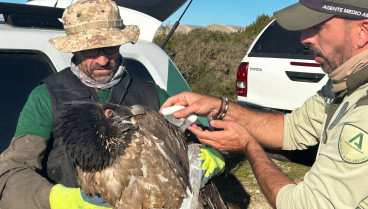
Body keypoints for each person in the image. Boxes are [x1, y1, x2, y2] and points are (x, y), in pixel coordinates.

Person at [0, 0, 224, 208]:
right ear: (74, 48)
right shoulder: (46, 97)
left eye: (110, 48)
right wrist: (62, 200)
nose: (103, 60)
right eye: (90, 49)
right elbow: (12, 171)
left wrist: (212, 154)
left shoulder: (153, 94)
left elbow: (207, 139)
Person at [160, 0, 368, 208]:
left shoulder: (363, 111)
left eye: (318, 26)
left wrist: (248, 145)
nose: (304, 37)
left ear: (363, 32)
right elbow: (290, 129)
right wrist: (219, 107)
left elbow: (303, 205)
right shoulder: (342, 83)